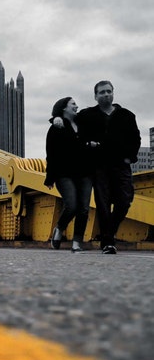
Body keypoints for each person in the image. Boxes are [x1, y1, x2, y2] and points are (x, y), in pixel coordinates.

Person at [54, 81, 140, 253]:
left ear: (113, 94)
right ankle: (108, 242)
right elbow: (69, 119)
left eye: (109, 91)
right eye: (102, 92)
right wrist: (56, 118)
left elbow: (136, 139)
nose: (106, 94)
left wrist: (130, 158)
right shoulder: (87, 115)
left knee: (124, 202)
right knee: (103, 204)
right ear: (96, 96)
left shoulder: (127, 115)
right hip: (99, 167)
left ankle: (108, 234)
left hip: (121, 166)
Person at [44, 97, 94, 252]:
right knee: (71, 205)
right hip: (63, 173)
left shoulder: (83, 124)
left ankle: (77, 242)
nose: (76, 106)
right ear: (63, 108)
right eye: (73, 104)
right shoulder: (56, 127)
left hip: (84, 172)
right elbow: (51, 153)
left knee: (84, 208)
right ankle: (59, 228)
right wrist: (50, 176)